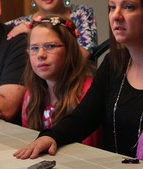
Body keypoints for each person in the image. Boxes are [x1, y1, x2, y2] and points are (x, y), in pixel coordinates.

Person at [13, 0, 143, 159]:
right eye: (111, 7)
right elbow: (84, 117)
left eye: (128, 7)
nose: (116, 16)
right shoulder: (113, 63)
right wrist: (51, 136)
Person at [22, 14, 100, 147]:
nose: (41, 55)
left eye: (50, 46)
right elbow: (28, 140)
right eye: (34, 48)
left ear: (70, 50)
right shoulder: (31, 93)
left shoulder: (88, 91)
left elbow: (88, 149)